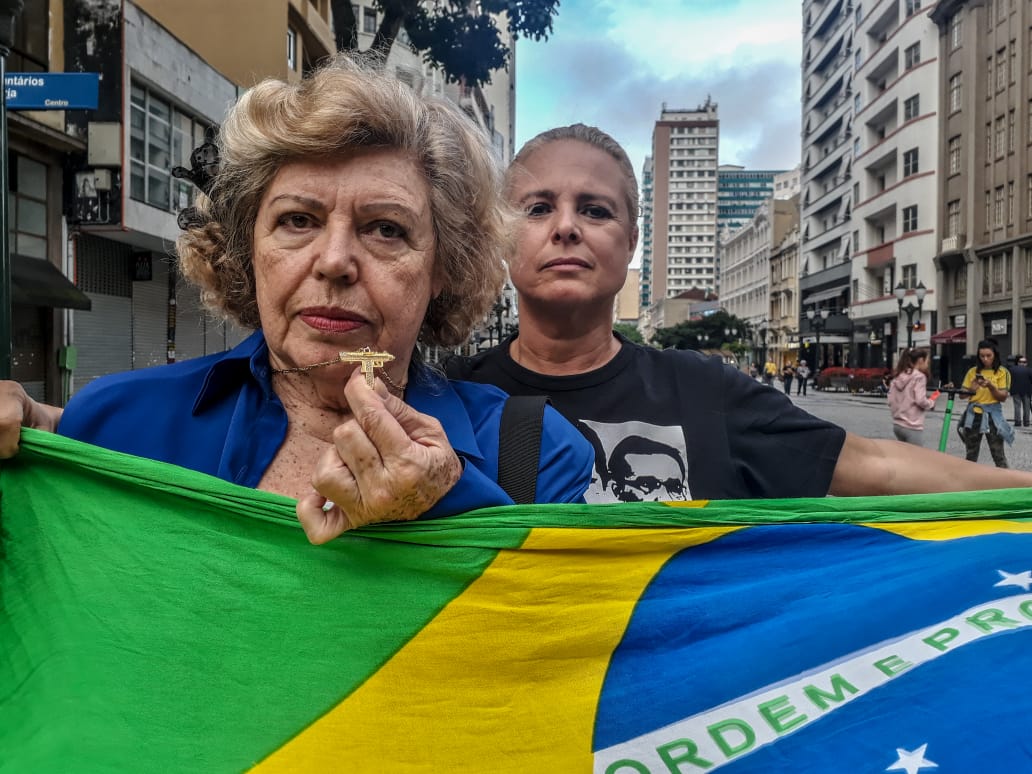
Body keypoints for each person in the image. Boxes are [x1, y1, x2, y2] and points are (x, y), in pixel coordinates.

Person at [0, 57, 593, 542]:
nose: (334, 261)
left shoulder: (535, 454)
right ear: (247, 249)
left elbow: (559, 640)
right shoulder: (112, 424)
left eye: (386, 229)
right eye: (297, 220)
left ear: (443, 268)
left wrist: (449, 502)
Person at [446, 123, 1032, 500]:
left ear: (631, 242)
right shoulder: (444, 400)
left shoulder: (705, 390)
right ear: (501, 236)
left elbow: (876, 464)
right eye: (538, 208)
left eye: (595, 210)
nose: (566, 227)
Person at [957, 339, 1013, 467]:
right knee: (971, 454)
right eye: (982, 356)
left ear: (995, 355)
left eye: (988, 355)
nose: (985, 359)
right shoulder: (972, 371)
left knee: (998, 454)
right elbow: (961, 395)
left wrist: (991, 386)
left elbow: (1003, 397)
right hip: (973, 415)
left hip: (993, 416)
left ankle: (1004, 477)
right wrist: (971, 390)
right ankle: (969, 477)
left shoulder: (1002, 372)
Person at [887, 348, 937, 446]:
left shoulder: (899, 375)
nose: (927, 365)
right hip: (912, 426)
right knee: (917, 455)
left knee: (904, 454)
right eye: (927, 362)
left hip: (898, 425)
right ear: (921, 360)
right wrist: (931, 403)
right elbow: (920, 400)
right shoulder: (919, 377)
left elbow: (890, 400)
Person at [1008, 354, 1032, 428]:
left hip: (1015, 390)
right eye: (1022, 362)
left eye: (1024, 362)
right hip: (1027, 391)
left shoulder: (1012, 369)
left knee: (1017, 406)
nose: (1023, 363)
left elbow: (1009, 379)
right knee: (1027, 407)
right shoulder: (1029, 370)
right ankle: (1026, 422)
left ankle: (1017, 422)